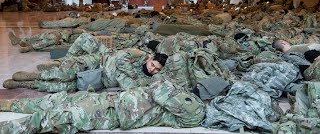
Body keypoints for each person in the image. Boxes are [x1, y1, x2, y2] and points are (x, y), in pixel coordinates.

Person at [0, 80, 205, 133]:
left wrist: (174, 89)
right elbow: (158, 88)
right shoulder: (175, 92)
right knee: (53, 100)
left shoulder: (194, 111)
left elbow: (159, 90)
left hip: (109, 114)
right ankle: (9, 104)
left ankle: (7, 129)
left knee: (56, 117)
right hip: (105, 100)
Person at [3, 33, 168, 92]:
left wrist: (123, 75)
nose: (152, 70)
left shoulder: (148, 80)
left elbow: (128, 87)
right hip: (100, 61)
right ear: (149, 58)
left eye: (156, 70)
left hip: (97, 80)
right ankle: (38, 74)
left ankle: (29, 84)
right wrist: (127, 74)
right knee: (65, 74)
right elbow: (120, 59)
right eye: (153, 65)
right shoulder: (140, 55)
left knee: (62, 87)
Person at [8, 30, 82, 53]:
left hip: (62, 44)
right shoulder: (86, 34)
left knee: (51, 45)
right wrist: (63, 38)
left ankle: (23, 43)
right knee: (50, 37)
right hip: (60, 35)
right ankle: (23, 42)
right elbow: (71, 31)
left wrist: (63, 43)